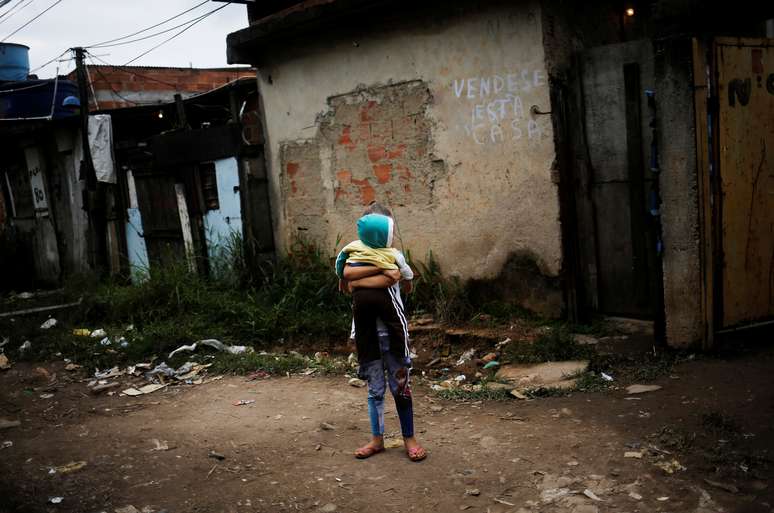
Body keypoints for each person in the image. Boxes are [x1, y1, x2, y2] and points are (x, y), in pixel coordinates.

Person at [336, 204, 427, 462]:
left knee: (401, 388)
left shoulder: (395, 256)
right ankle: (377, 440)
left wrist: (389, 267)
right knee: (374, 390)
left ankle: (409, 438)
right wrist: (379, 268)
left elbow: (406, 286)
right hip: (367, 335)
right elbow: (346, 285)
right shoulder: (354, 256)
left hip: (392, 335)